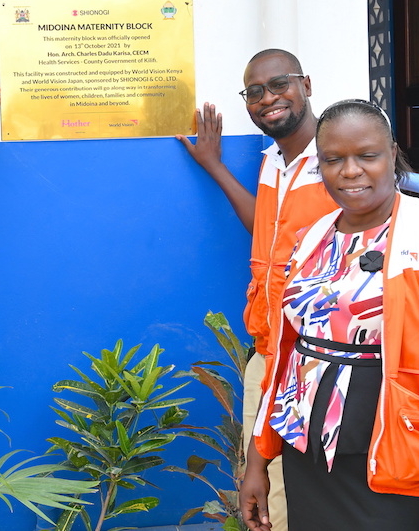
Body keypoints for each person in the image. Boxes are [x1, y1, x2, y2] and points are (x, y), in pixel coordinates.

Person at [240, 99, 419, 531]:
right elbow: (290, 355)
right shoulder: (314, 237)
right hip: (307, 457)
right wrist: (258, 460)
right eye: (333, 160)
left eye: (367, 155)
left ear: (392, 155)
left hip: (394, 462)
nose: (350, 171)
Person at [176, 49, 339, 529]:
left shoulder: (336, 160)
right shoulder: (275, 160)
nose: (268, 99)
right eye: (254, 92)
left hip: (318, 360)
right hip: (269, 352)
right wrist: (215, 166)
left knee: (310, 498)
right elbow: (264, 228)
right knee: (264, 499)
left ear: (306, 84)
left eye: (279, 84)